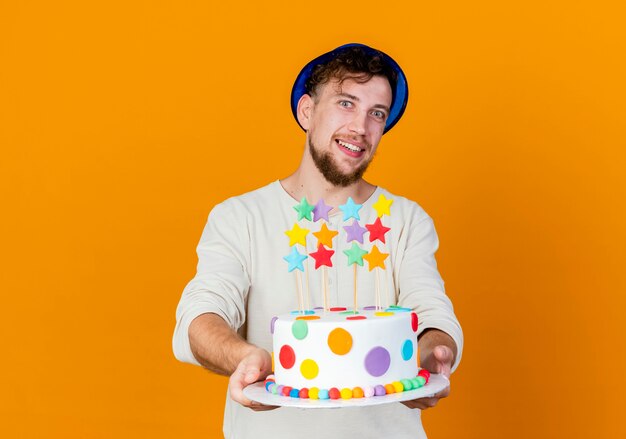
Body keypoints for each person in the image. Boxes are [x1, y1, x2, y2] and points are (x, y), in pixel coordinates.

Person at [173, 43, 463, 438]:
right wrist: (247, 358)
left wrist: (433, 356)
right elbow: (201, 315)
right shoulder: (238, 217)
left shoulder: (406, 219)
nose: (360, 128)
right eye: (346, 104)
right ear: (307, 111)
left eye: (376, 113)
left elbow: (433, 316)